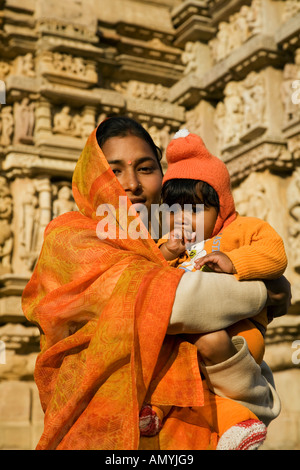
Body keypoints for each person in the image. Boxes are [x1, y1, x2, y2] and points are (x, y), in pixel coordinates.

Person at [21, 116, 290, 450]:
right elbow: (174, 303)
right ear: (92, 178)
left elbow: (256, 391)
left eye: (146, 168)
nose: (131, 183)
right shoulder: (75, 239)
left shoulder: (168, 243)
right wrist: (268, 291)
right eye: (114, 170)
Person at [156, 128, 287, 448]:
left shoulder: (244, 229)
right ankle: (160, 410)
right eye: (174, 210)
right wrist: (167, 254)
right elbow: (151, 278)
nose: (183, 219)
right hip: (187, 347)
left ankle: (238, 416)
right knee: (170, 362)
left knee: (209, 340)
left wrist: (235, 261)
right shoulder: (174, 244)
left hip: (238, 337)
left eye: (196, 209)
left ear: (223, 207)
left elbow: (275, 254)